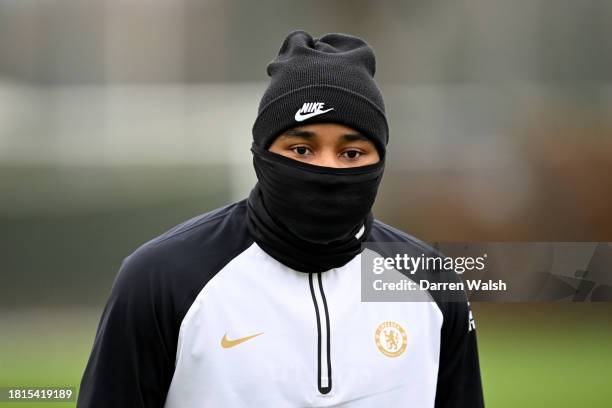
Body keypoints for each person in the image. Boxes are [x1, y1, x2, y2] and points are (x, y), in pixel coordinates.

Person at [77, 30, 484, 407]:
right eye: (302, 149)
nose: (327, 170)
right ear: (261, 154)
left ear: (379, 161)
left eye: (352, 153)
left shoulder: (432, 281)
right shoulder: (161, 278)